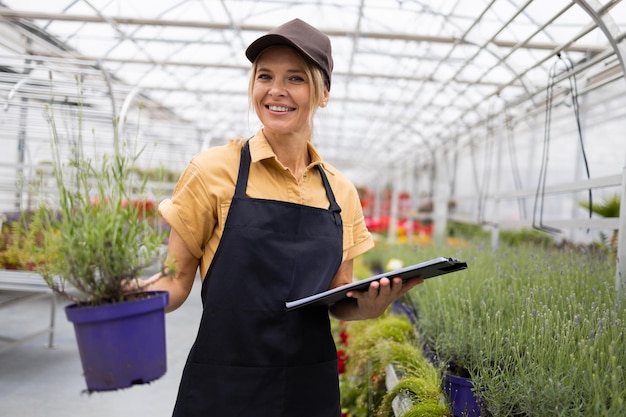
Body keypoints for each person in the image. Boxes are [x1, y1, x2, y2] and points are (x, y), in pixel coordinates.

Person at [141, 18, 423, 417]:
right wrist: (118, 294)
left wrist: (370, 307)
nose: (276, 90)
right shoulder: (211, 172)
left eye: (295, 78)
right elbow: (174, 280)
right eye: (265, 76)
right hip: (224, 386)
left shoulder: (340, 192)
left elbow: (340, 297)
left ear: (323, 94)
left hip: (309, 389)